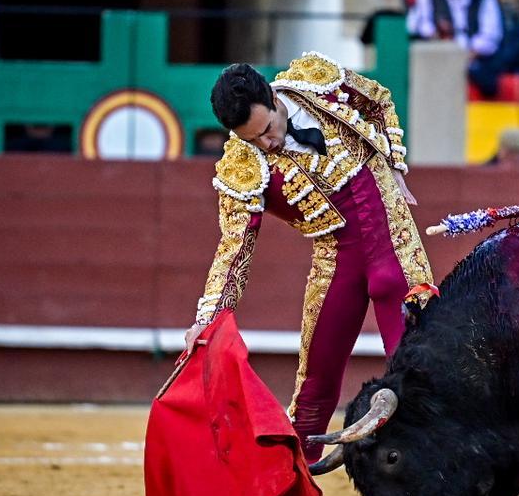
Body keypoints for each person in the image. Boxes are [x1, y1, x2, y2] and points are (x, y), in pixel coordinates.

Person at [184, 58, 433, 459]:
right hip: (336, 259)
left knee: (422, 372)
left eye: (267, 130)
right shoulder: (241, 168)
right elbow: (234, 248)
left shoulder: (315, 81)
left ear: (273, 99)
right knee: (313, 387)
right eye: (253, 140)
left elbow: (378, 100)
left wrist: (395, 164)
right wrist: (207, 317)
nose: (268, 144)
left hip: (393, 240)